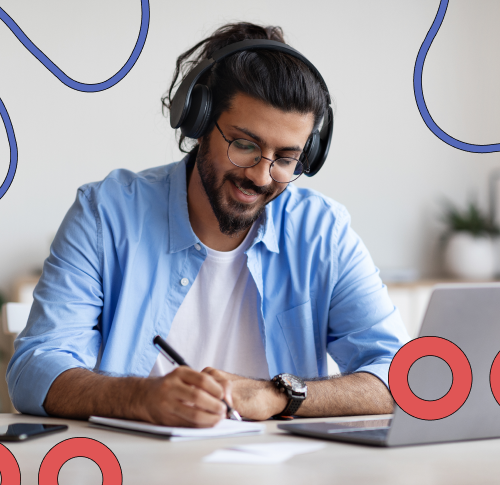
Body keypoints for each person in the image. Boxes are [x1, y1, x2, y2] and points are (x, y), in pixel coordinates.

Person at [7, 22, 409, 428]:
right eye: (245, 145)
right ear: (197, 124)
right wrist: (141, 398)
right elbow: (33, 370)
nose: (262, 176)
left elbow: (402, 376)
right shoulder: (105, 214)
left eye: (286, 159)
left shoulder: (323, 232)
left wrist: (276, 394)